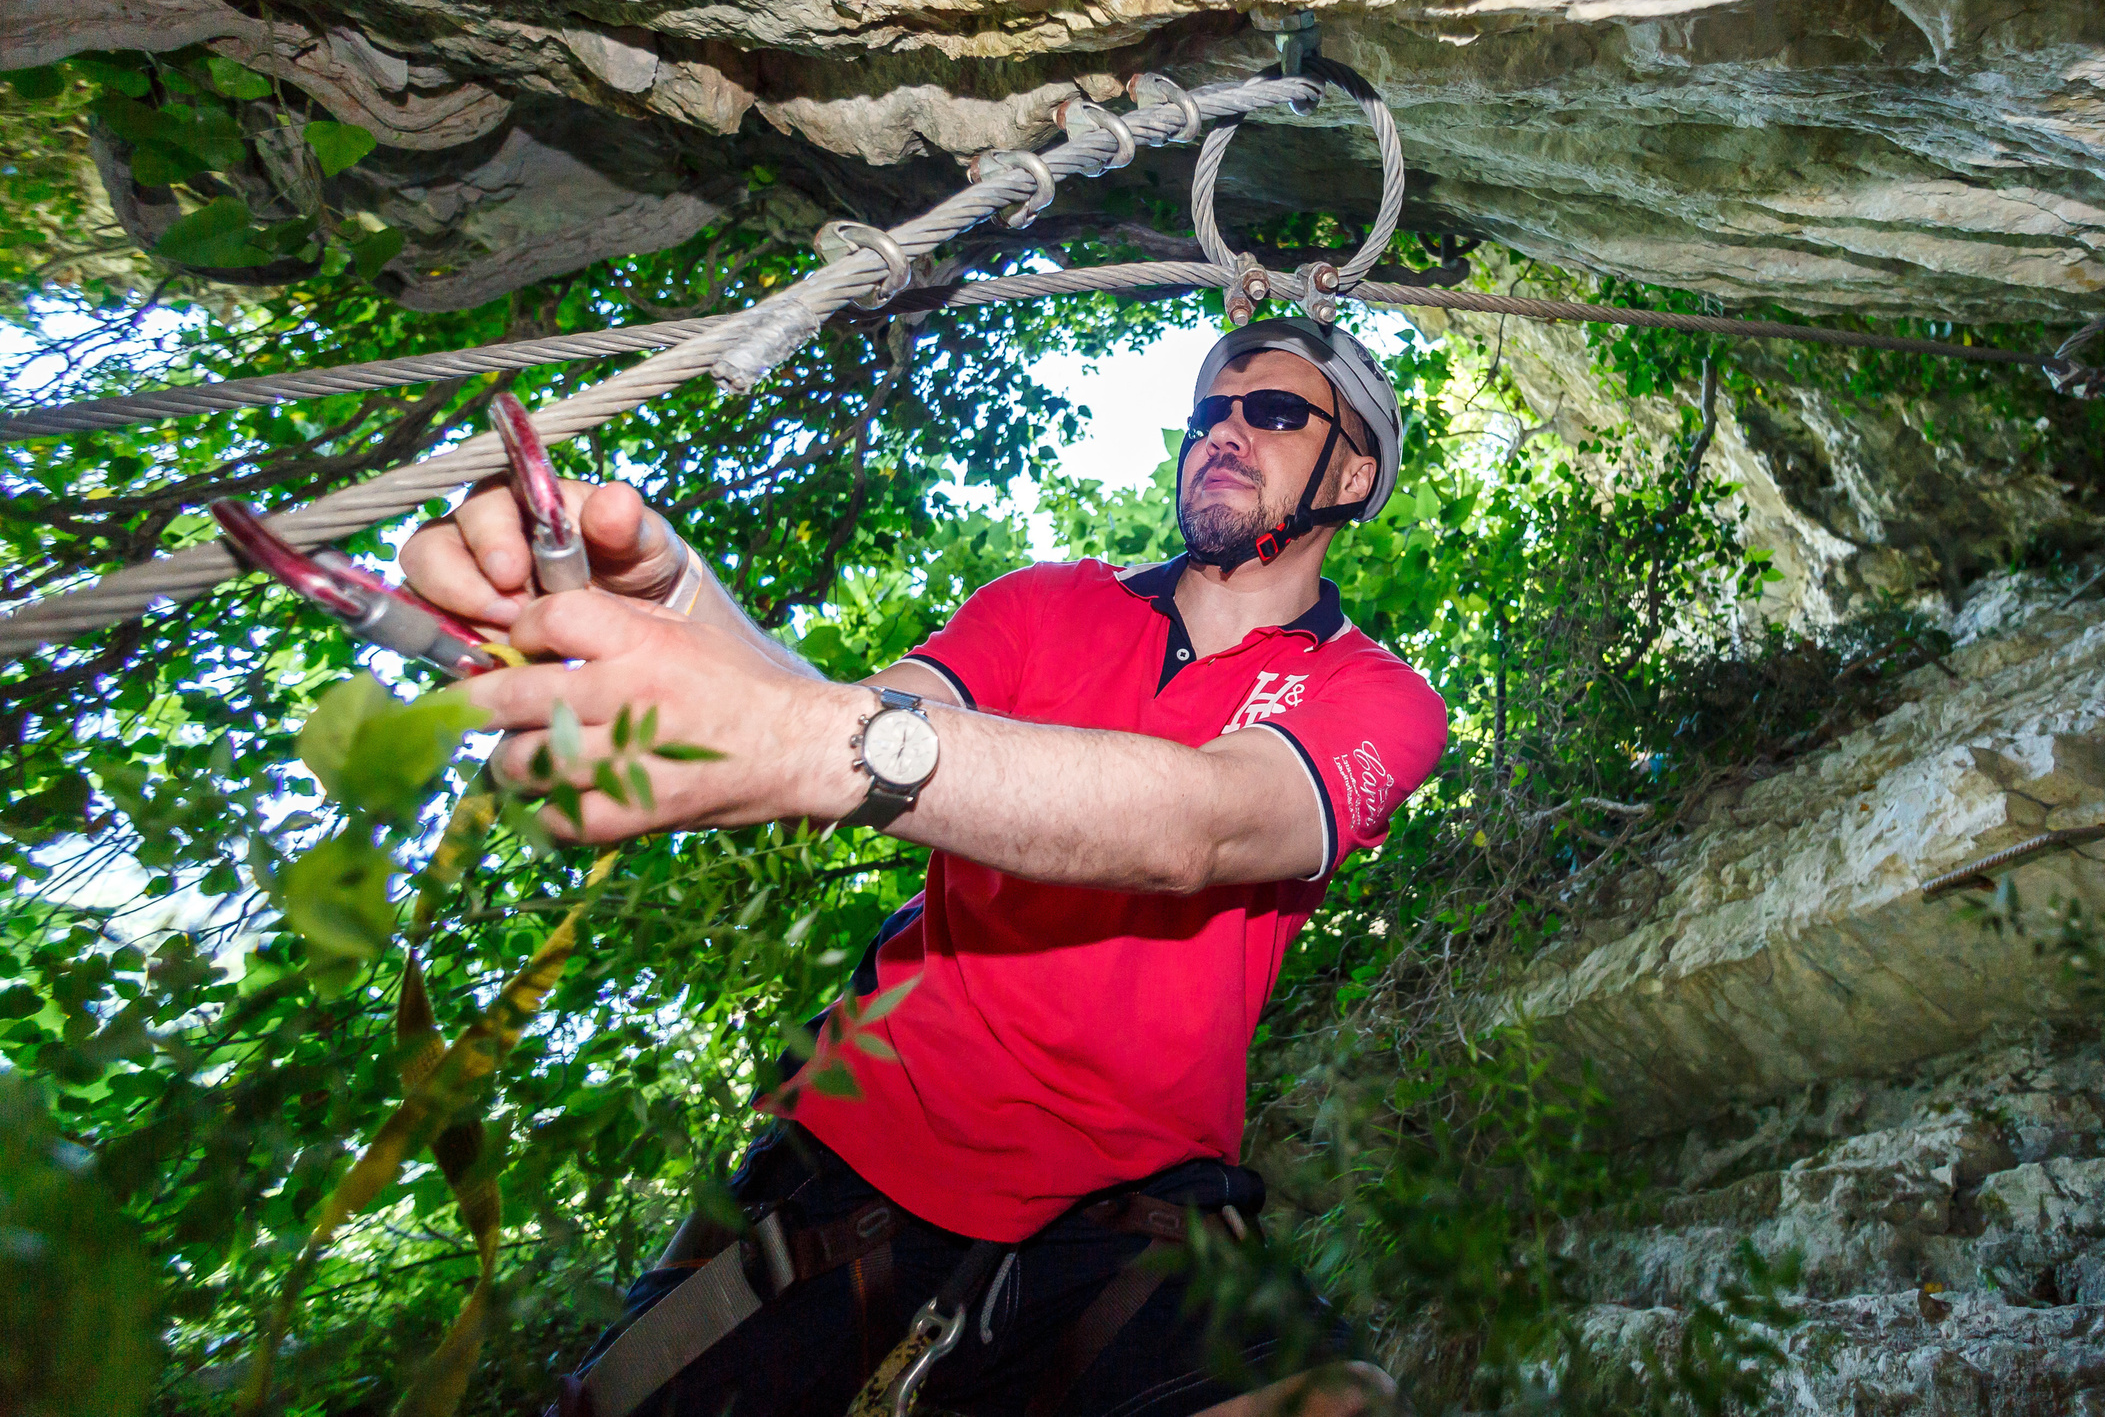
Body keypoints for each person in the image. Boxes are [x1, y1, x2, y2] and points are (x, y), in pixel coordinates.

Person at [401, 319, 1450, 1417]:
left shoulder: (1376, 699)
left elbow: (1208, 825)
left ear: (1357, 469)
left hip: (1129, 1216)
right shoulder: (1045, 604)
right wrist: (681, 614)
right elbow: (862, 718)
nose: (1225, 432)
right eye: (1207, 413)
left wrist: (808, 739)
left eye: (1274, 413)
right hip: (861, 1153)